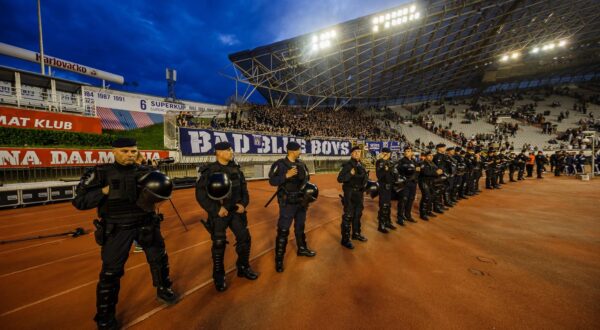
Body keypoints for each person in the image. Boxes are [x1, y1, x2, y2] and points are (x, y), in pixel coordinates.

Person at [73, 138, 179, 330]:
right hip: (117, 229)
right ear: (113, 151)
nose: (129, 154)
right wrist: (104, 191)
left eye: (133, 151)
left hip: (146, 224)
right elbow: (79, 201)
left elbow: (164, 191)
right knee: (110, 273)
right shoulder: (99, 173)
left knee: (159, 259)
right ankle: (105, 316)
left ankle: (163, 289)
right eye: (124, 151)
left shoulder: (145, 172)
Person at [195, 141, 258, 292]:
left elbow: (244, 191)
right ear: (219, 152)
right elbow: (200, 195)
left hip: (236, 211)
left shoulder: (236, 169)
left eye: (231, 150)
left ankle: (243, 266)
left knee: (244, 238)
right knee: (218, 244)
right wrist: (216, 209)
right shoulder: (209, 171)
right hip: (219, 214)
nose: (231, 152)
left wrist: (243, 204)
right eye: (229, 150)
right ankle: (218, 275)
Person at [268, 141, 316, 273]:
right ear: (292, 151)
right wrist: (286, 176)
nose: (300, 151)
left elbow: (307, 180)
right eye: (299, 149)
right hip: (287, 203)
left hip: (301, 201)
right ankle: (279, 260)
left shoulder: (301, 164)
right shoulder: (280, 164)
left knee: (300, 227)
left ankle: (302, 249)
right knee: (283, 230)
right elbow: (272, 181)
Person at [337, 146, 368, 249]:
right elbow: (340, 179)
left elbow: (364, 179)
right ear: (351, 154)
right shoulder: (347, 165)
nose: (357, 154)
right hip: (350, 193)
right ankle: (345, 240)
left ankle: (356, 234)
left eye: (359, 152)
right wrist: (350, 174)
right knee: (348, 216)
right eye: (355, 152)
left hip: (359, 193)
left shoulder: (362, 165)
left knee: (358, 215)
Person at [376, 148, 397, 233]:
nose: (387, 155)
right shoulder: (379, 162)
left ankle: (387, 222)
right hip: (383, 186)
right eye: (385, 153)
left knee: (388, 205)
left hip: (390, 186)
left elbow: (395, 174)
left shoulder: (391, 162)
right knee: (383, 206)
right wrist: (385, 169)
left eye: (388, 153)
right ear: (382, 153)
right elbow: (379, 176)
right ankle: (381, 225)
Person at [418, 150, 443, 220]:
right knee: (426, 197)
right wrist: (436, 173)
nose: (431, 157)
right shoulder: (422, 163)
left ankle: (428, 211)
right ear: (426, 157)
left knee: (432, 196)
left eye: (432, 155)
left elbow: (438, 170)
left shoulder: (433, 163)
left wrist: (438, 172)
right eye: (429, 155)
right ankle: (423, 213)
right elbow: (426, 172)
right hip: (424, 182)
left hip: (431, 182)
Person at [397, 146, 419, 223]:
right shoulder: (401, 161)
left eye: (409, 151)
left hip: (413, 183)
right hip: (405, 183)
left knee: (410, 199)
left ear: (412, 152)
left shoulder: (414, 161)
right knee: (403, 200)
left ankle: (408, 215)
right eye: (406, 151)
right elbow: (397, 172)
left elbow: (417, 171)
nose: (407, 152)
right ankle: (400, 217)